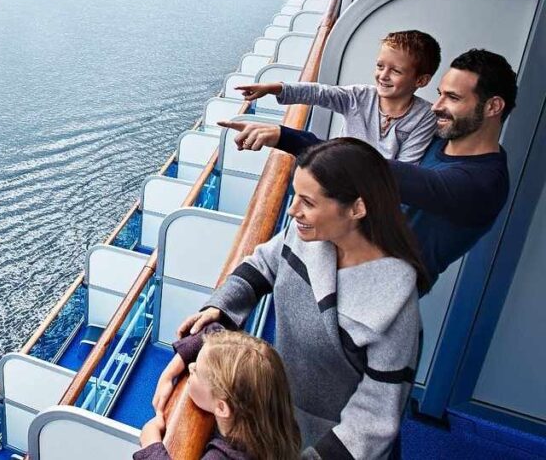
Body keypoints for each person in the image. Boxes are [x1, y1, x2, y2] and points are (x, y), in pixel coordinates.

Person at [153, 138, 427, 459]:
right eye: (295, 195)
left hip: (331, 446)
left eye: (307, 202)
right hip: (279, 418)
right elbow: (262, 264)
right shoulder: (306, 235)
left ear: (357, 208)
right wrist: (220, 310)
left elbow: (375, 419)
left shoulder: (394, 310)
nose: (293, 209)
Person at [220, 48, 516, 288]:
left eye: (452, 98)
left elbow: (370, 169)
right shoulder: (436, 137)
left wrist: (285, 137)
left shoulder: (481, 185)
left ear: (493, 107)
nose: (436, 106)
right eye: (440, 93)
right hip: (341, 266)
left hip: (376, 298)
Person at [236, 30, 440, 163]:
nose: (383, 76)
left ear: (421, 81)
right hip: (337, 173)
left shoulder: (424, 116)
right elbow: (319, 93)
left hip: (378, 191)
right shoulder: (359, 97)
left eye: (396, 71)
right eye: (380, 66)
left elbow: (406, 169)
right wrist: (274, 88)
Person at [136, 329, 300, 460]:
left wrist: (150, 444)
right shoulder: (274, 422)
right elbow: (213, 329)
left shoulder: (223, 456)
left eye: (196, 372)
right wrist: (170, 372)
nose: (190, 366)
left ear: (222, 407)